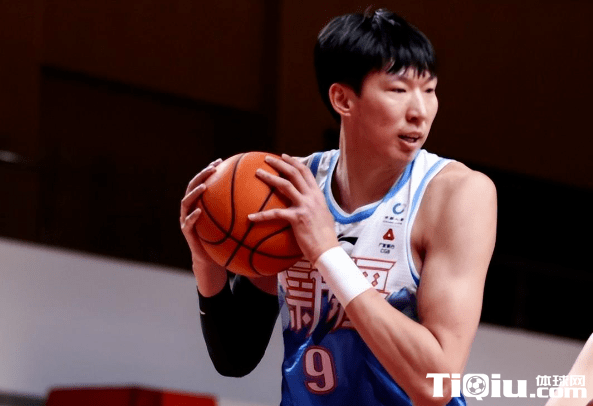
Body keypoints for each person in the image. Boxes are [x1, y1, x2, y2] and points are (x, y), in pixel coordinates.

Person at [180, 8, 497, 406]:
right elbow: (235, 357)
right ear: (343, 99)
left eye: (429, 90)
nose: (420, 110)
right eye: (399, 90)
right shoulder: (293, 188)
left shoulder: (456, 194)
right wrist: (207, 260)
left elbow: (436, 384)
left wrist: (328, 253)